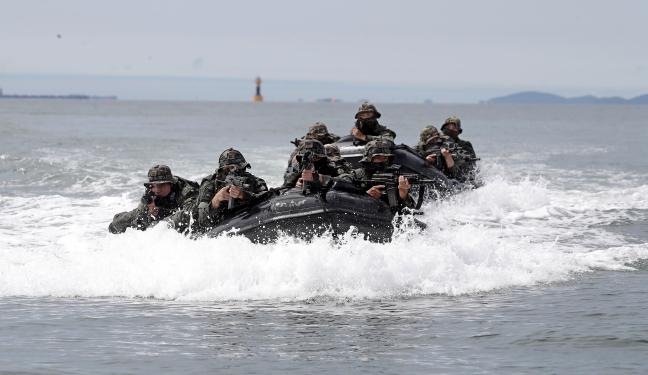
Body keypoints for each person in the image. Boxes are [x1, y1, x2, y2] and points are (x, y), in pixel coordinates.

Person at [191, 148, 268, 233]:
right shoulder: (210, 183)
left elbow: (267, 203)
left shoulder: (255, 181)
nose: (234, 172)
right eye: (228, 169)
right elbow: (202, 220)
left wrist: (243, 195)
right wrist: (216, 200)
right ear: (221, 171)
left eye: (238, 168)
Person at [108, 165, 199, 234]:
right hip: (161, 215)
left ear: (170, 184)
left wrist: (160, 213)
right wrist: (148, 213)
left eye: (161, 185)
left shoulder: (187, 191)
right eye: (154, 185)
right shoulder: (151, 191)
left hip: (180, 218)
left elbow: (190, 215)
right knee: (117, 224)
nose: (157, 190)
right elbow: (140, 218)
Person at [340, 139, 415, 211]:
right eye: (378, 157)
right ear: (369, 158)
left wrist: (403, 194)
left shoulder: (394, 176)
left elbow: (409, 210)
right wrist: (365, 195)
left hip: (386, 218)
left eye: (385, 158)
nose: (383, 161)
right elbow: (339, 194)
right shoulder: (356, 176)